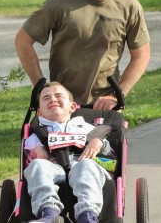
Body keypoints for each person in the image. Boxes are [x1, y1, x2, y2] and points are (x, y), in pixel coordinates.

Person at [15, 0, 150, 110]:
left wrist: (116, 96)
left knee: (104, 142)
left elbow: (141, 55)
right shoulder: (58, 3)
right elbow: (23, 41)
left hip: (106, 107)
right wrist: (41, 88)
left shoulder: (129, 6)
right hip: (62, 107)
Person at [24, 82, 116, 223]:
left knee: (86, 165)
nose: (53, 99)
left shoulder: (87, 127)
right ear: (40, 112)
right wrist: (36, 150)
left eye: (58, 95)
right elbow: (28, 156)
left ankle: (87, 214)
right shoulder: (37, 134)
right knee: (37, 165)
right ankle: (48, 212)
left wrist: (99, 143)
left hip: (82, 165)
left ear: (72, 106)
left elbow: (110, 154)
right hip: (52, 169)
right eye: (46, 98)